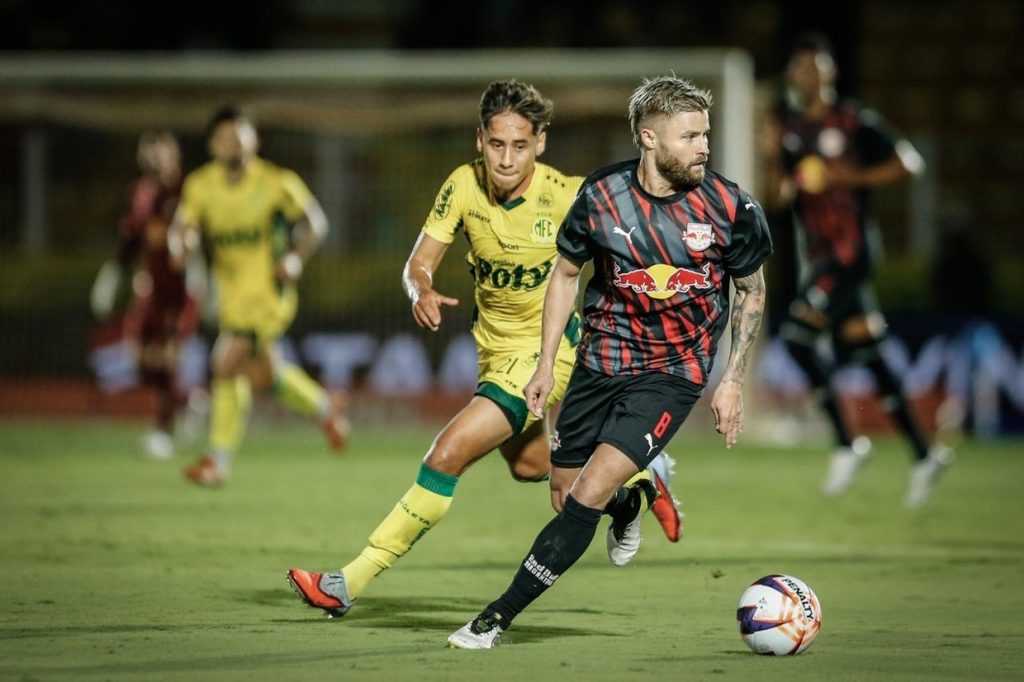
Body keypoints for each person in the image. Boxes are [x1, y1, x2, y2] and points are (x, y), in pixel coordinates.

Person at [285, 79, 683, 619]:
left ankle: (345, 582)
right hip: (494, 355)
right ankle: (634, 483)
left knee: (444, 456)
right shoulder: (462, 185)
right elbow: (419, 261)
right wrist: (420, 289)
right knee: (537, 471)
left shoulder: (568, 195)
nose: (507, 158)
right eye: (497, 144)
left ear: (540, 143)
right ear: (480, 141)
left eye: (520, 145)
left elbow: (639, 245)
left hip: (547, 354)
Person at [447, 75, 773, 649]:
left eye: (705, 135)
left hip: (673, 373)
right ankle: (634, 501)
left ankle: (493, 620)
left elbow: (752, 290)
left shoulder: (730, 207)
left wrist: (732, 381)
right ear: (649, 138)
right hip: (599, 362)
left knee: (585, 497)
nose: (704, 147)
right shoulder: (600, 196)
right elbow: (565, 276)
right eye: (690, 136)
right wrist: (545, 365)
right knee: (563, 491)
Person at [763, 32, 953, 507]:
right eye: (798, 68)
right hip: (820, 255)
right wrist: (771, 158)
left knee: (797, 338)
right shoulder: (791, 131)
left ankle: (848, 443)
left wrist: (852, 176)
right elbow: (779, 197)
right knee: (868, 353)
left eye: (812, 66)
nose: (804, 75)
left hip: (850, 253)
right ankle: (925, 453)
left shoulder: (853, 121)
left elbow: (909, 164)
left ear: (828, 72)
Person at [167, 105, 350, 487]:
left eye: (239, 136)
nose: (232, 144)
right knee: (263, 376)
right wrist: (180, 246)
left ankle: (216, 460)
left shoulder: (277, 182)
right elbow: (181, 228)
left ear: (255, 141)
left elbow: (315, 223)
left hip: (269, 293)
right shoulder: (200, 185)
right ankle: (325, 409)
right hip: (230, 297)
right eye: (223, 138)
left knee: (224, 363)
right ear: (212, 146)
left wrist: (295, 257)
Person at [91, 131, 202, 460]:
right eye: (148, 151)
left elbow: (203, 235)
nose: (153, 157)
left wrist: (204, 276)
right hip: (150, 287)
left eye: (160, 151)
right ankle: (189, 401)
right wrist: (112, 273)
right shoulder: (139, 191)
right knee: (137, 356)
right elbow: (130, 239)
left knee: (167, 357)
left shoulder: (189, 190)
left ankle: (163, 431)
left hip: (181, 289)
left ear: (175, 155)